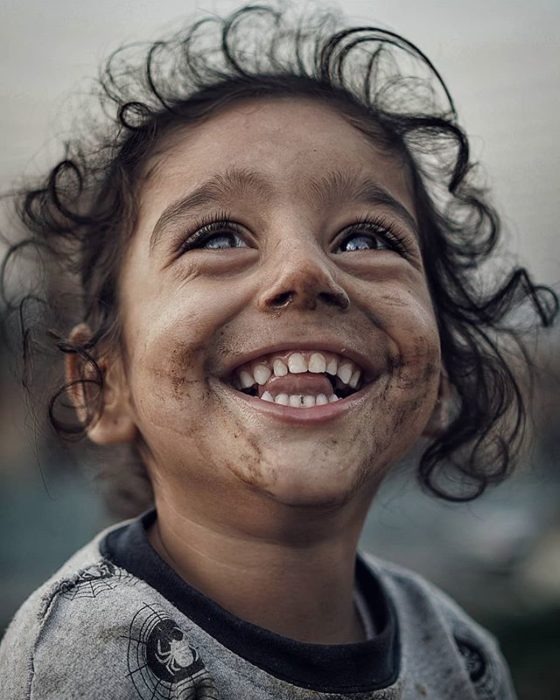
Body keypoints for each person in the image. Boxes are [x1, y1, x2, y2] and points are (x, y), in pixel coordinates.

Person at [0, 4, 556, 699]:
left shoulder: (463, 654)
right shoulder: (87, 659)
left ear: (440, 379)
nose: (304, 271)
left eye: (366, 238)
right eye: (218, 236)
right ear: (103, 385)